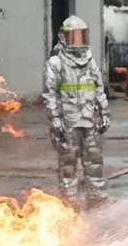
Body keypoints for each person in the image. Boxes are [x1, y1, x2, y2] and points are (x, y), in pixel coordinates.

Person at [42, 15, 110, 208]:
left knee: (94, 162)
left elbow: (98, 90)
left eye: (81, 36)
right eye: (74, 37)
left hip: (89, 122)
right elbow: (50, 95)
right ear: (63, 38)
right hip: (67, 124)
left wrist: (104, 113)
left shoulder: (90, 62)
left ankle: (96, 198)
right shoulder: (56, 63)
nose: (78, 42)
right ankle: (69, 202)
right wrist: (55, 120)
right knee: (68, 165)